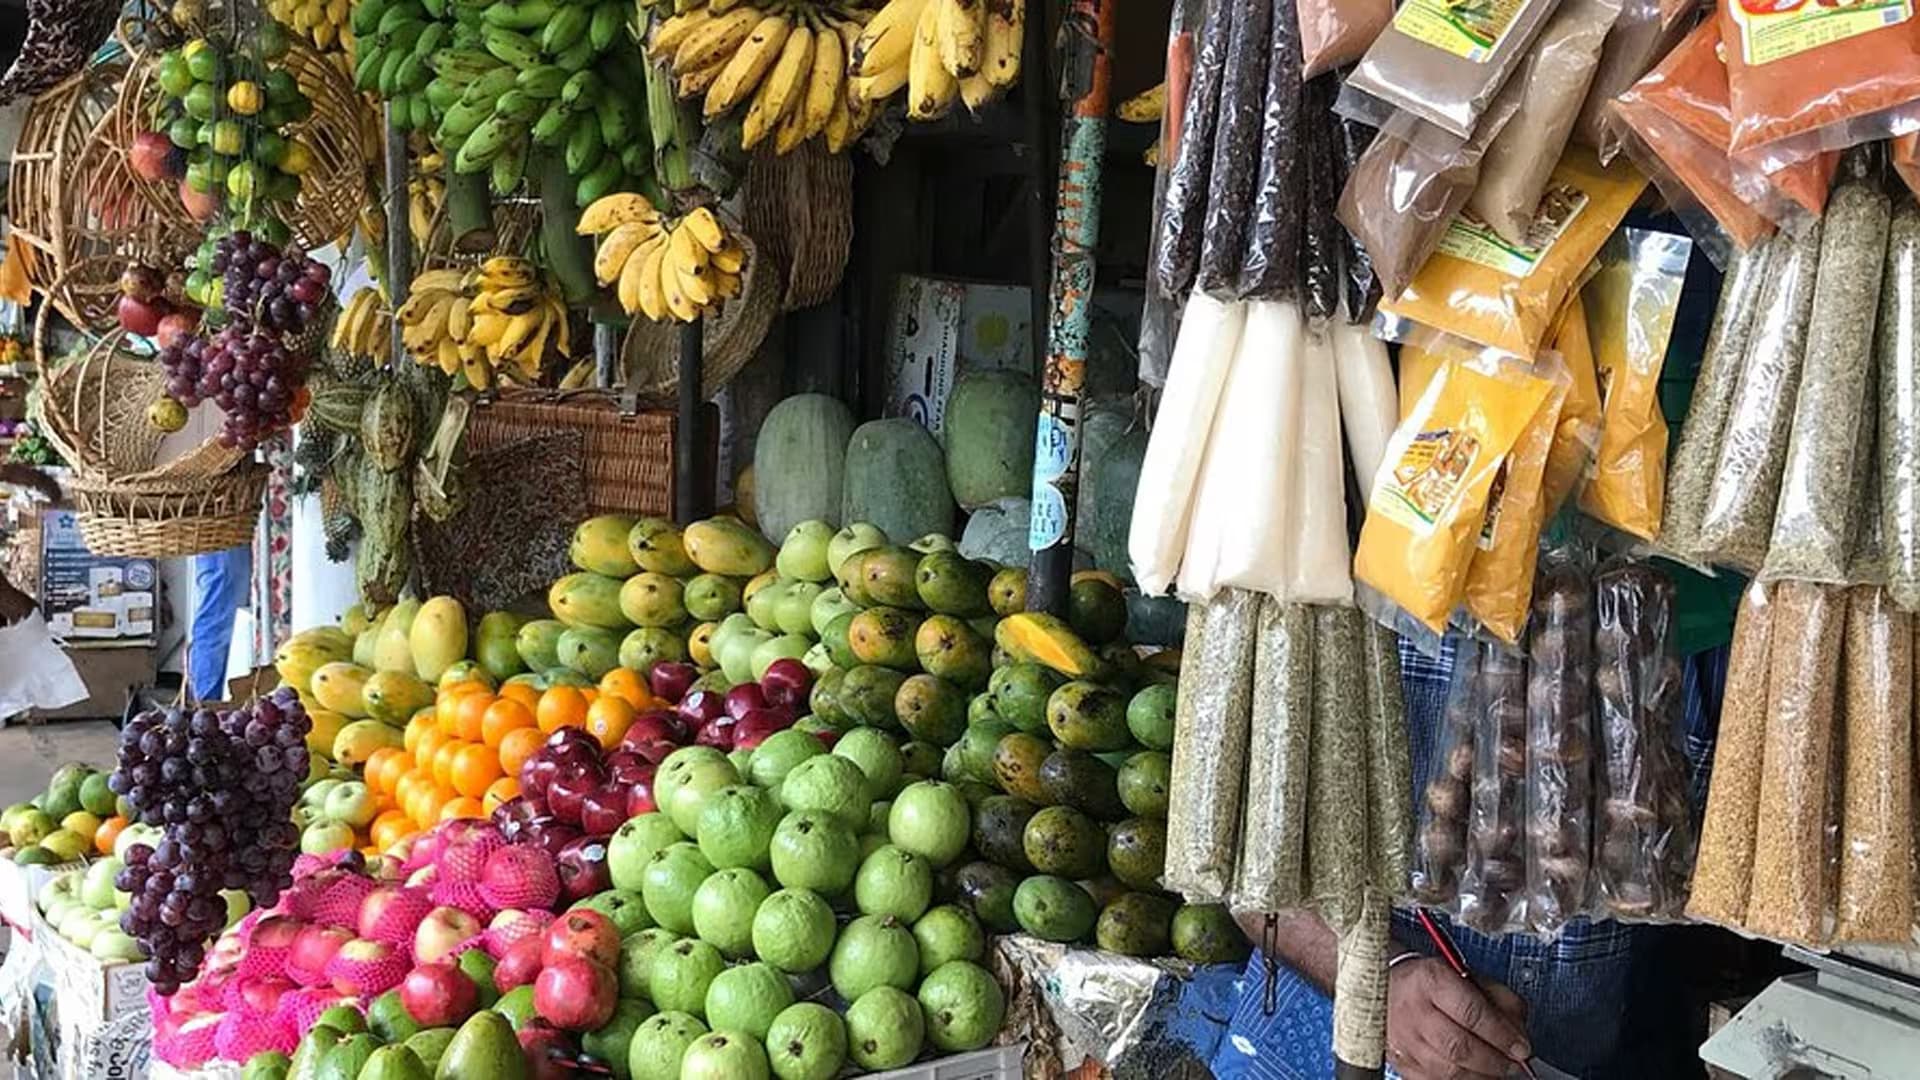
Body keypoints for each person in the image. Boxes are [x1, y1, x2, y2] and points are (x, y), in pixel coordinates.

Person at [1213, 635, 1729, 1080]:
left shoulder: (1699, 640)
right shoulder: (1365, 586)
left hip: (1564, 1059)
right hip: (1310, 1048)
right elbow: (1243, 872)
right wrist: (1380, 977)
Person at [188, 544, 251, 703]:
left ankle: (206, 705)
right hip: (224, 539)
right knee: (217, 622)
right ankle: (207, 706)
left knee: (218, 621)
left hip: (220, 540)